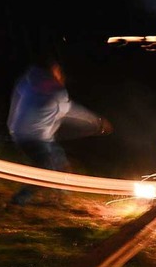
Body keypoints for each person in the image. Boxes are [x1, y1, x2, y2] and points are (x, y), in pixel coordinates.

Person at [6, 58, 112, 207]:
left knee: (60, 163)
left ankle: (61, 197)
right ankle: (18, 201)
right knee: (47, 172)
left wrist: (11, 124)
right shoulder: (56, 91)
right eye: (59, 72)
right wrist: (97, 122)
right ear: (54, 72)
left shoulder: (27, 82)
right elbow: (72, 111)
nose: (62, 76)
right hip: (36, 138)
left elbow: (17, 100)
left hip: (21, 134)